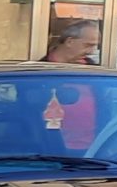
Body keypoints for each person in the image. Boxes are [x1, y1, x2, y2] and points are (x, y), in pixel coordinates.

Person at [39, 19, 101, 150]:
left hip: (93, 150)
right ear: (69, 42)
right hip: (47, 149)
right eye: (88, 45)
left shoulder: (95, 72)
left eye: (94, 46)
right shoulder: (38, 72)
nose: (91, 51)